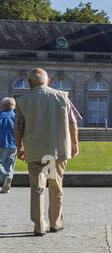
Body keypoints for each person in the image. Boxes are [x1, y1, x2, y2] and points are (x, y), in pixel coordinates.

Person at [14, 68, 79, 235]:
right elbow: (73, 123)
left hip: (35, 150)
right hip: (57, 150)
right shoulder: (62, 97)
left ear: (29, 83)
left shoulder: (23, 101)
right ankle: (55, 223)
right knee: (56, 187)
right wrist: (74, 144)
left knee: (37, 189)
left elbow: (18, 128)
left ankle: (39, 226)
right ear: (48, 81)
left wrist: (18, 146)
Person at [0, 97, 16, 193]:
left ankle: (5, 176)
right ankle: (7, 181)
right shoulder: (16, 117)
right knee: (10, 165)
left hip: (1, 143)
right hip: (14, 144)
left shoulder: (1, 116)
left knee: (1, 163)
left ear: (3, 106)